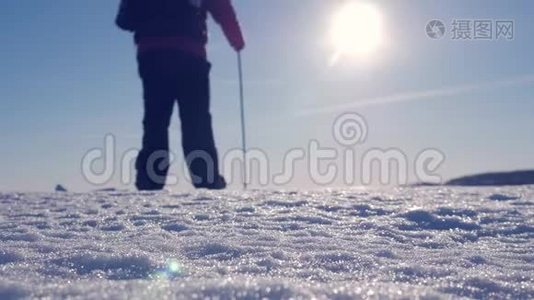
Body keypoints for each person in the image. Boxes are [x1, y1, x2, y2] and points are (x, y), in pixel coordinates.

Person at [116, 0, 245, 190]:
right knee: (196, 121)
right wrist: (237, 40)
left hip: (152, 54)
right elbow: (222, 8)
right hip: (190, 54)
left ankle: (150, 181)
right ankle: (207, 180)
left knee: (155, 121)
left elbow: (124, 20)